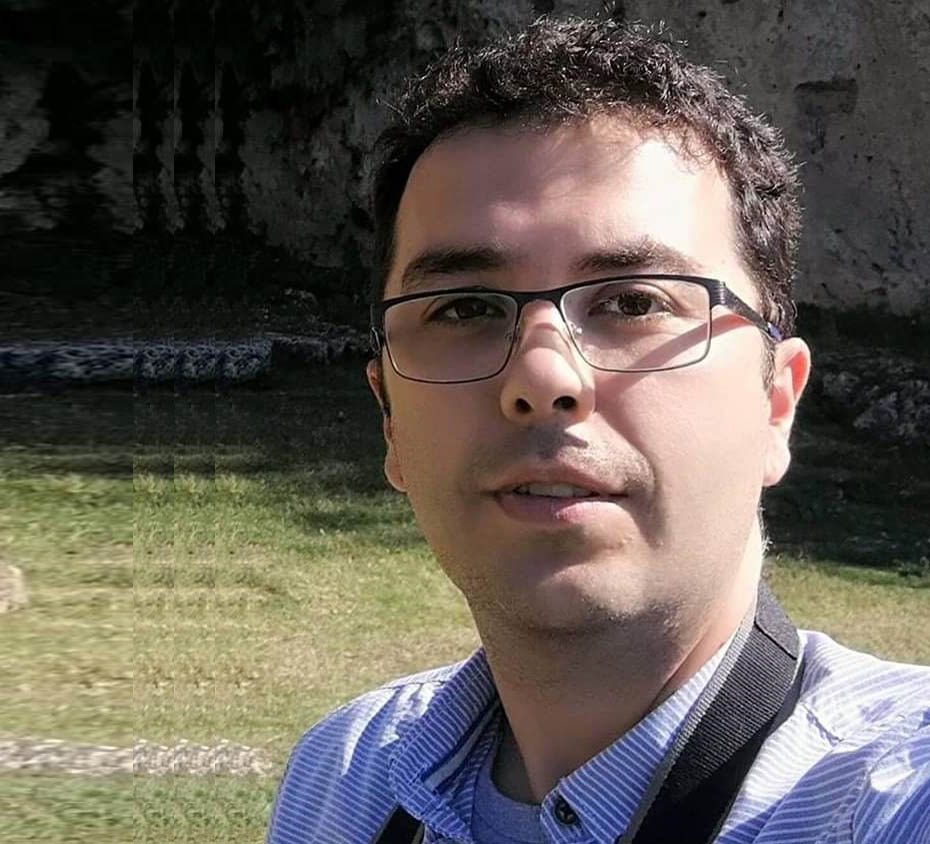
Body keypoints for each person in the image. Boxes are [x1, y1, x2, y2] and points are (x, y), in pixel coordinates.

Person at [267, 17, 930, 844]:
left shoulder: (895, 791)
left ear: (775, 404)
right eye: (464, 308)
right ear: (390, 421)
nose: (543, 378)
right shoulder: (343, 779)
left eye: (634, 301)